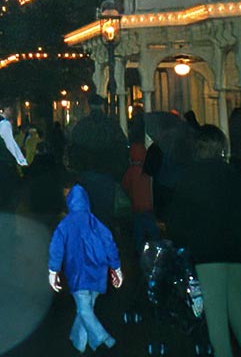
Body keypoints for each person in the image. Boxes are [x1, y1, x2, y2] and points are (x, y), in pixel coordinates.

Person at [163, 126, 241, 357]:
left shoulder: (190, 177)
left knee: (215, 307)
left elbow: (176, 222)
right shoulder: (237, 176)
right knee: (236, 299)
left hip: (210, 251)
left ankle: (222, 353)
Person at [49, 185, 123, 353]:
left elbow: (56, 248)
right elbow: (110, 245)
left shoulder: (65, 225)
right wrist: (116, 268)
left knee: (84, 309)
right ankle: (80, 342)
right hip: (97, 273)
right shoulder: (96, 222)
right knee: (86, 309)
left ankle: (100, 338)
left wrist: (53, 271)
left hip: (77, 274)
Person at [121, 139, 158, 250]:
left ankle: (140, 251)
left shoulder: (131, 171)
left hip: (136, 206)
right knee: (152, 230)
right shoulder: (149, 168)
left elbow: (125, 185)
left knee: (139, 231)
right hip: (150, 205)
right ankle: (156, 249)